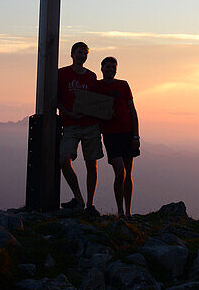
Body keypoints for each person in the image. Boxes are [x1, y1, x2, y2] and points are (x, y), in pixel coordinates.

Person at [57, 41, 102, 217]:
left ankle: (90, 203)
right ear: (72, 54)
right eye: (79, 52)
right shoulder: (62, 74)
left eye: (85, 53)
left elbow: (95, 100)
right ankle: (79, 198)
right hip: (70, 125)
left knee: (91, 164)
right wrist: (68, 112)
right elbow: (56, 98)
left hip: (90, 125)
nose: (82, 55)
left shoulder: (91, 76)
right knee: (63, 160)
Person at [96, 57, 140, 219]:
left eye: (114, 67)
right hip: (110, 134)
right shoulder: (98, 86)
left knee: (128, 173)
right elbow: (93, 107)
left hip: (127, 133)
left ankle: (127, 211)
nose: (111, 70)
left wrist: (136, 135)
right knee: (119, 171)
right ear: (102, 68)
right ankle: (120, 211)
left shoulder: (123, 85)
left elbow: (132, 110)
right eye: (108, 67)